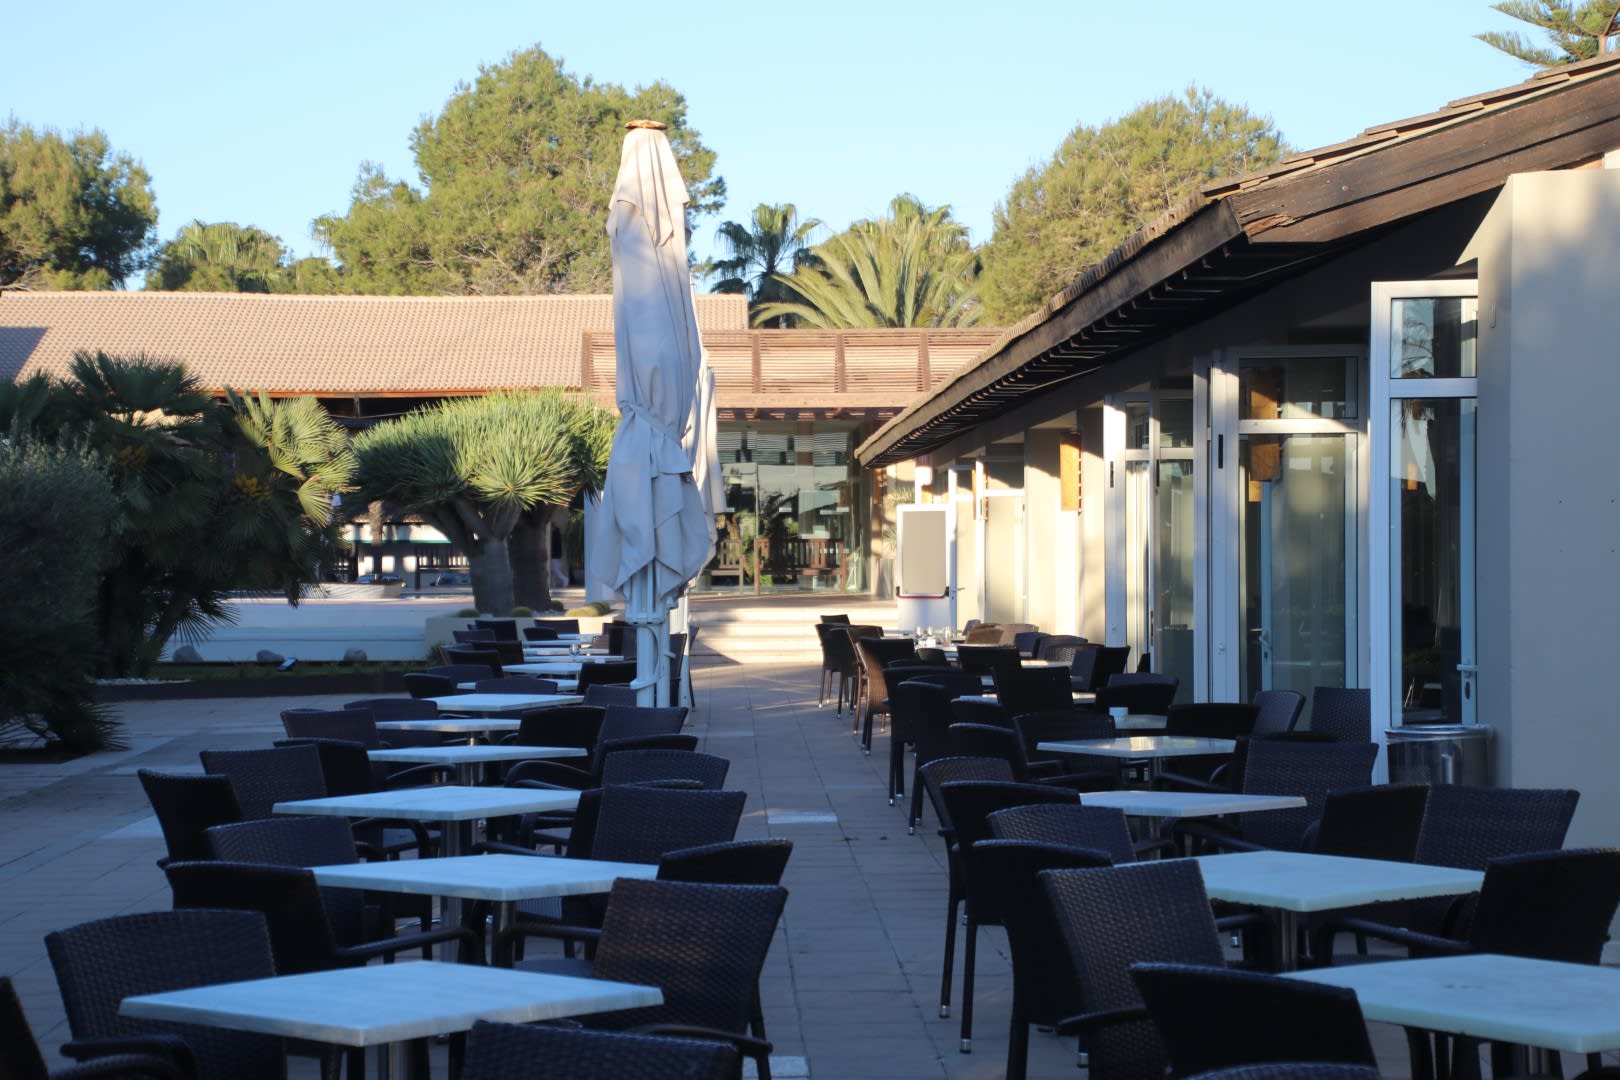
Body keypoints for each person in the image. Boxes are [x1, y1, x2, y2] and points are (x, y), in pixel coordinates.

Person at [549, 523, 569, 588]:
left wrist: (552, 553)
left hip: (555, 555)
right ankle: (553, 583)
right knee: (553, 570)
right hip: (557, 554)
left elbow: (553, 546)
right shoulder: (557, 534)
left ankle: (564, 578)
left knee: (555, 569)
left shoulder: (555, 535)